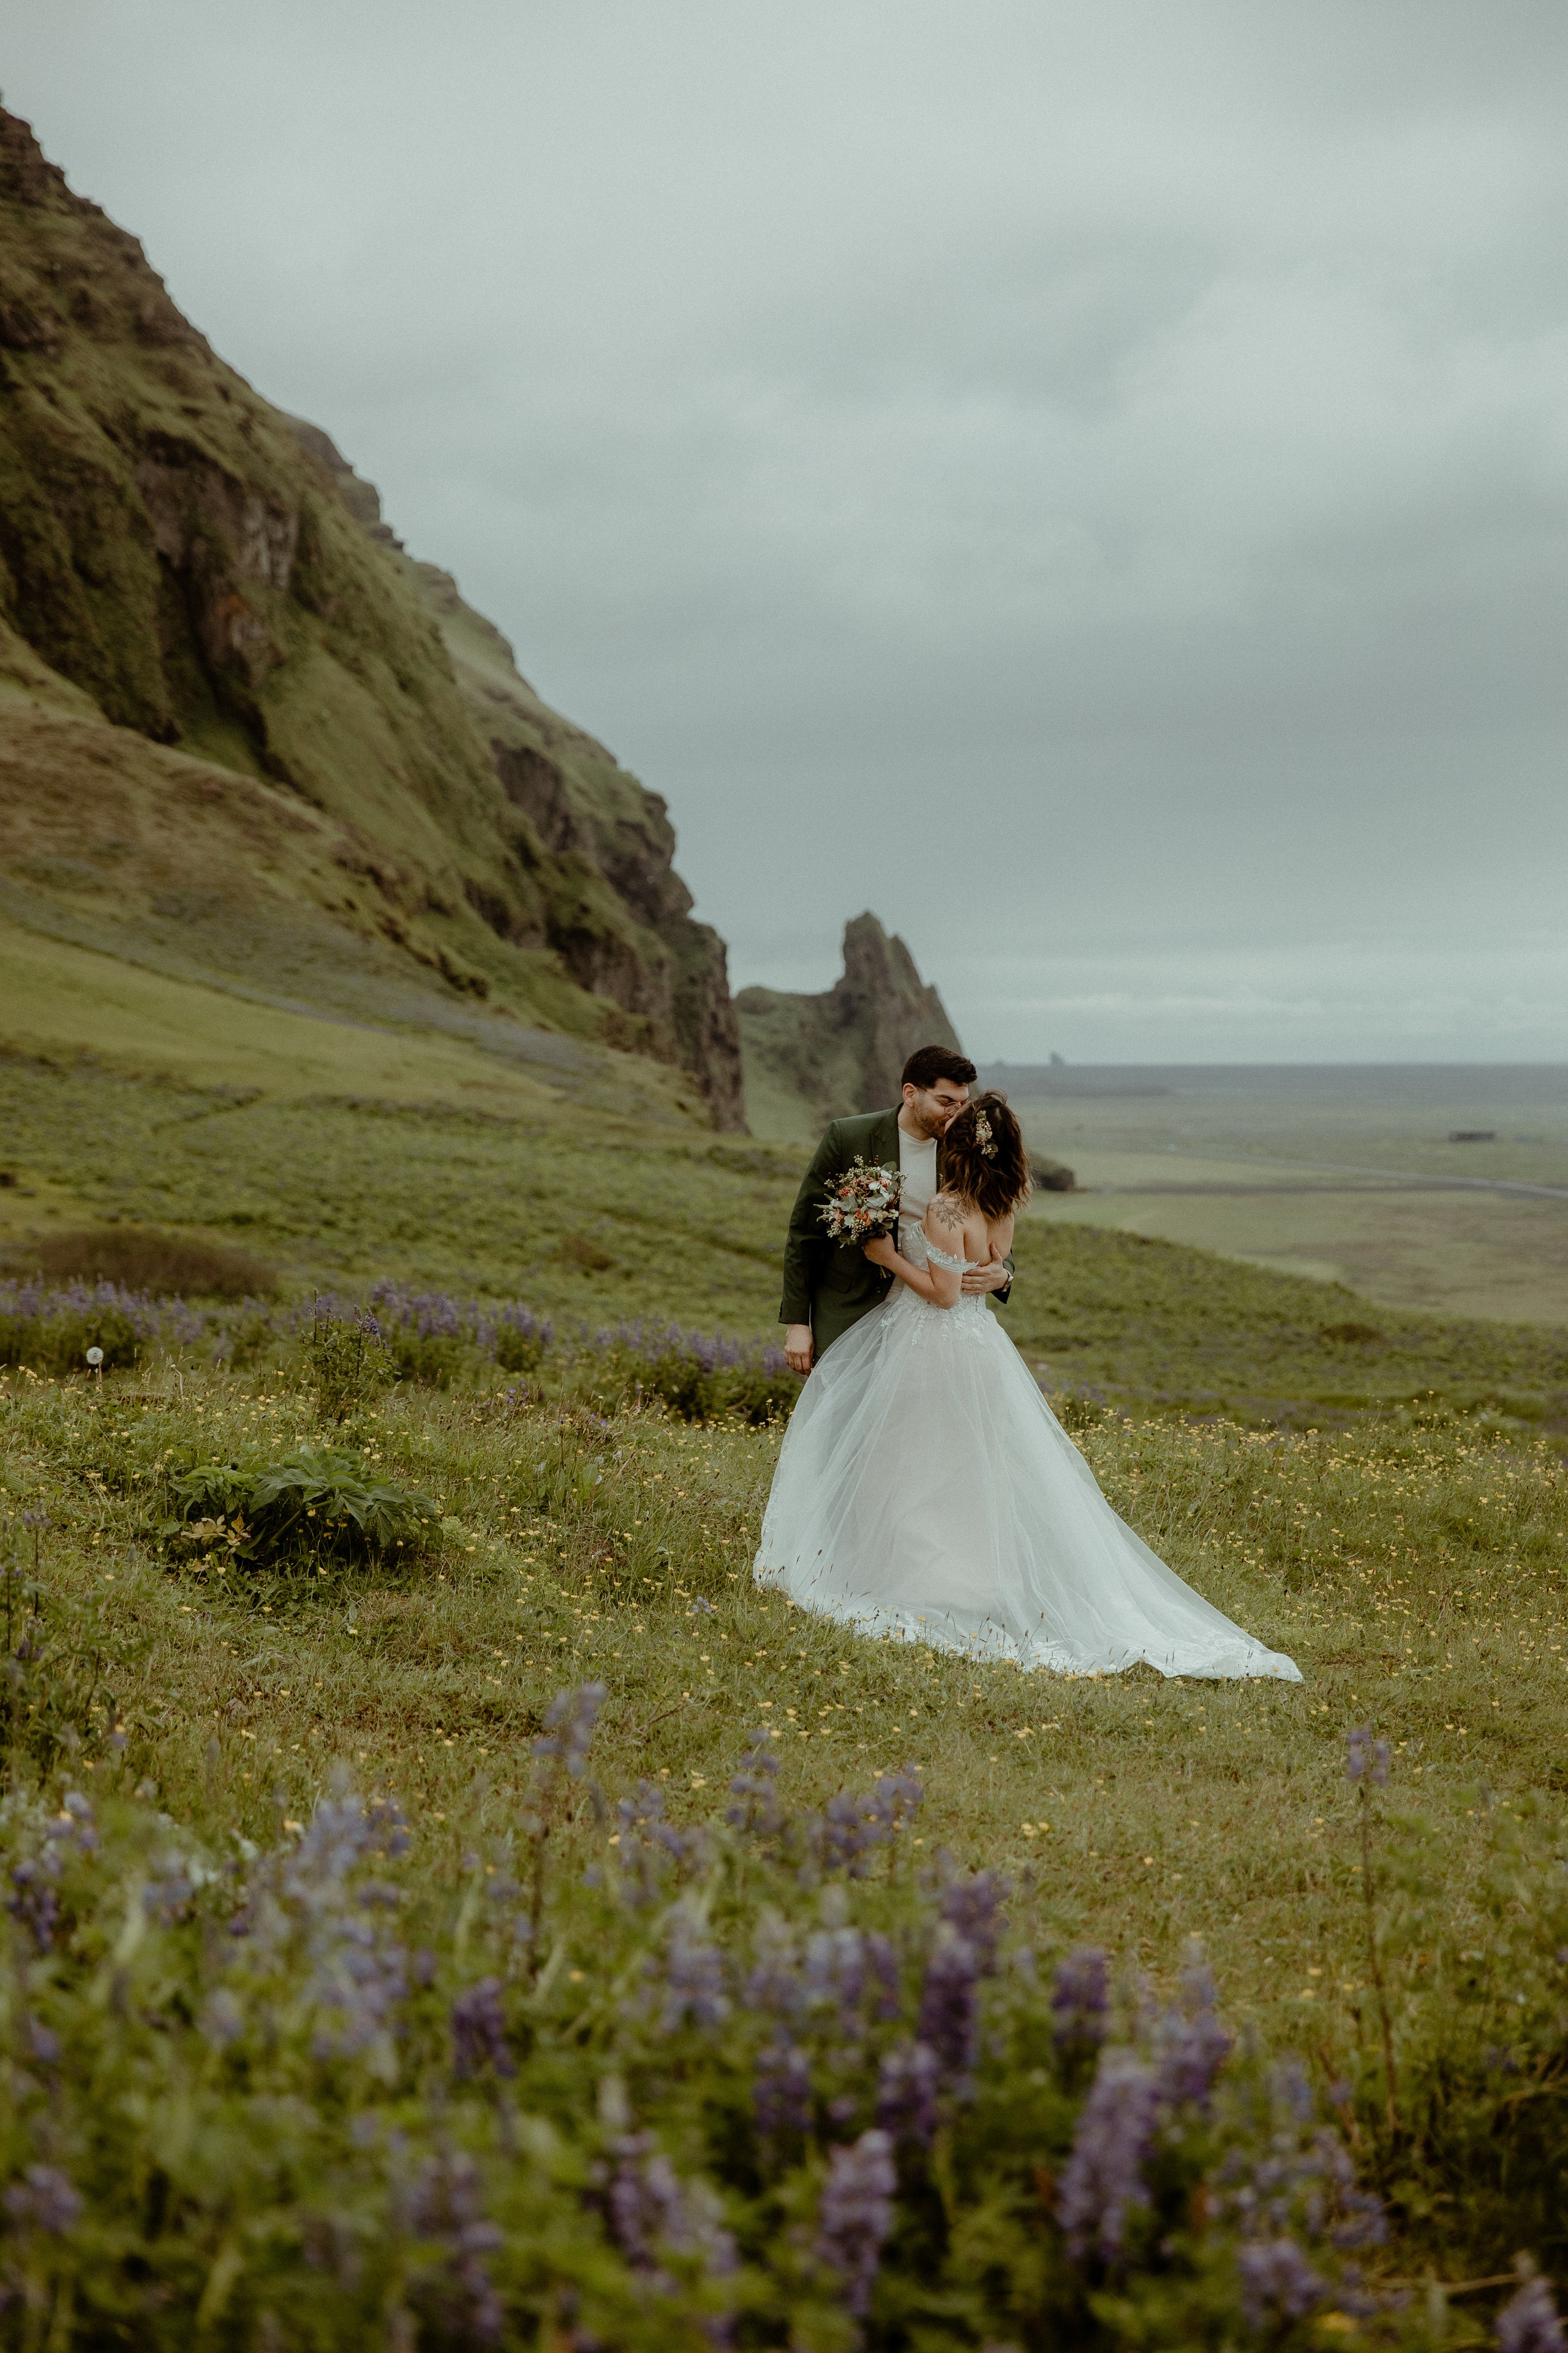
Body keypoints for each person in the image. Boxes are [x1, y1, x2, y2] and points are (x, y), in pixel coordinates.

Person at [756, 1090, 1300, 1682]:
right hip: (980, 1349)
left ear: (958, 1146)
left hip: (929, 1345)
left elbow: (942, 1294)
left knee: (911, 1459)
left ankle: (919, 1579)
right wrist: (988, 1276)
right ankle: (970, 1579)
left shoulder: (946, 1209)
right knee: (967, 1465)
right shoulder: (1002, 1207)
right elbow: (990, 1270)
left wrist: (886, 1257)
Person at [777, 1044, 1012, 1378]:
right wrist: (798, 1323)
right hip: (852, 1311)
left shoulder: (965, 1149)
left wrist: (1004, 1276)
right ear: (911, 1093)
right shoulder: (848, 1137)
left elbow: (990, 1219)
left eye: (962, 1104)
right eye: (945, 1102)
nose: (955, 1114)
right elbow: (805, 1233)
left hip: (931, 1322)